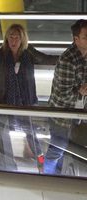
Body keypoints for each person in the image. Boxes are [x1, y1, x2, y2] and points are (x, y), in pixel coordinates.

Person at [0, 24, 57, 170]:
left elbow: (46, 59)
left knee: (31, 133)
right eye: (10, 37)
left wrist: (66, 58)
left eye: (17, 37)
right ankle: (9, 166)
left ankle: (41, 162)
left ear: (22, 38)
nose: (13, 40)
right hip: (3, 102)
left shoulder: (28, 53)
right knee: (4, 135)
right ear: (6, 38)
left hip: (26, 101)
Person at [44, 19, 87, 175]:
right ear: (76, 40)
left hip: (75, 114)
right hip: (60, 116)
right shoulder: (67, 60)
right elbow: (63, 95)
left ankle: (59, 174)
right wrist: (81, 92)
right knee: (57, 148)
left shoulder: (85, 54)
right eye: (86, 37)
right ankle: (48, 178)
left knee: (64, 148)